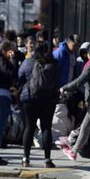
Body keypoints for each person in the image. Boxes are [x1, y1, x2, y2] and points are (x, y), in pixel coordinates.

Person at [18, 40, 60, 168]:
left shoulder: (28, 62)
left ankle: (26, 158)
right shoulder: (53, 63)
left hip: (30, 98)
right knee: (46, 127)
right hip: (48, 99)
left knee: (29, 127)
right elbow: (58, 80)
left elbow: (20, 76)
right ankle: (47, 159)